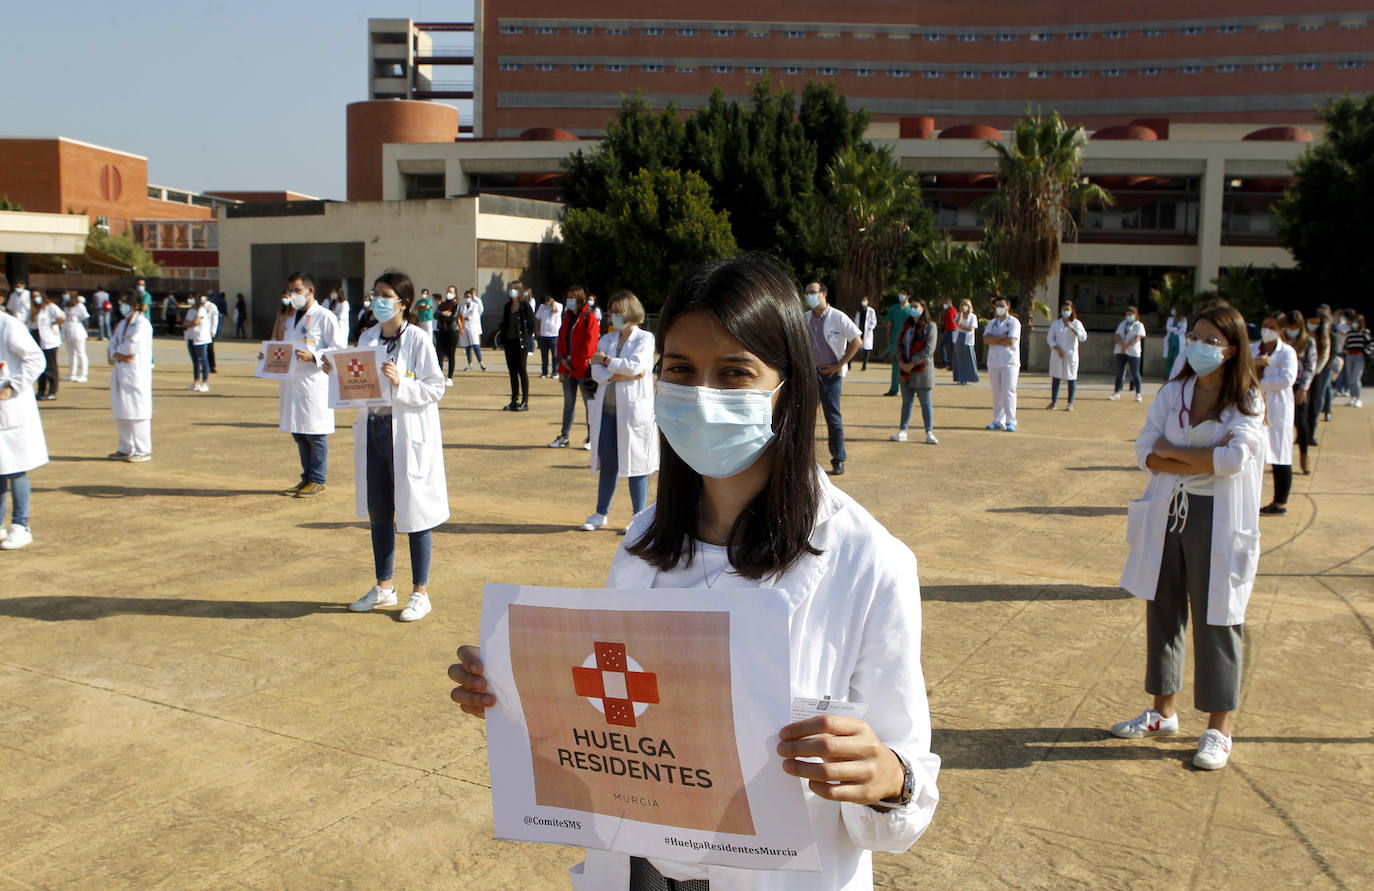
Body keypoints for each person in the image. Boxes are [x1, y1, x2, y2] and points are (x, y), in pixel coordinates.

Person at [448, 253, 940, 890]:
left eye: (734, 373)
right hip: (638, 873)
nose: (702, 394)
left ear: (789, 388)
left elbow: (905, 798)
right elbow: (616, 723)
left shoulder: (871, 564)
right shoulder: (644, 539)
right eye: (681, 370)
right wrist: (520, 696)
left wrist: (886, 780)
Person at [1114, 304, 1263, 771]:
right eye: (1194, 337)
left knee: (1217, 616)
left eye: (1209, 341)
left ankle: (1219, 728)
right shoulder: (1175, 390)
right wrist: (1195, 457)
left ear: (1232, 348)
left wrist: (1172, 453)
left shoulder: (1247, 400)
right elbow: (1144, 451)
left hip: (1217, 515)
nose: (1197, 346)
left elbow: (1233, 461)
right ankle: (1163, 712)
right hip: (1168, 509)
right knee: (1163, 608)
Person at [327, 271, 448, 623]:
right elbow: (358, 379)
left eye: (384, 295)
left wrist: (403, 384)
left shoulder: (419, 340)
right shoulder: (367, 335)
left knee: (415, 513)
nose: (377, 300)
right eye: (375, 294)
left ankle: (420, 592)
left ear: (403, 302)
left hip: (407, 436)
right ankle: (384, 586)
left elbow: (435, 387)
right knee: (380, 513)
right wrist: (332, 371)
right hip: (375, 431)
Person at [580, 290, 658, 532]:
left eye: (617, 312)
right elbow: (597, 374)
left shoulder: (645, 338)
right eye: (611, 312)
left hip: (634, 412)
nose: (613, 317)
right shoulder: (606, 340)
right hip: (606, 410)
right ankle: (601, 513)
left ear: (629, 312)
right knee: (609, 464)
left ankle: (639, 517)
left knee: (637, 465)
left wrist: (606, 363)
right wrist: (617, 371)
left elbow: (638, 367)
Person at [272, 272, 343, 497]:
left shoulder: (325, 316)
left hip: (314, 382)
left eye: (297, 290)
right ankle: (306, 478)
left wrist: (314, 356)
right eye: (291, 290)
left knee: (315, 433)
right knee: (299, 432)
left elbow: (338, 348)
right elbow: (285, 346)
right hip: (293, 382)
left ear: (310, 290)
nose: (293, 295)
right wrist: (270, 358)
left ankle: (318, 479)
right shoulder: (291, 317)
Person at [0, 307, 48, 550]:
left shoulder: (9, 326)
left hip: (9, 407)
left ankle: (21, 525)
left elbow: (36, 359)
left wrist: (11, 384)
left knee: (15, 468)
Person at [804, 280, 862, 475]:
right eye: (807, 293)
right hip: (811, 374)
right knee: (805, 417)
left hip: (831, 375)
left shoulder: (838, 317)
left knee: (833, 417)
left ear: (824, 294)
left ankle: (838, 458)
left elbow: (857, 340)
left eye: (813, 292)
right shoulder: (806, 318)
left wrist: (840, 364)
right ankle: (804, 459)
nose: (809, 296)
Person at [1253, 314, 1298, 515]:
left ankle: (1280, 503)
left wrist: (1258, 385)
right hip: (1254, 408)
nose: (1267, 329)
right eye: (1264, 325)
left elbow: (1286, 380)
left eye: (1272, 326)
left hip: (1278, 410)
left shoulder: (1287, 352)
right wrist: (1256, 362)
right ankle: (1251, 498)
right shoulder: (1254, 349)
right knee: (1253, 455)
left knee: (1280, 455)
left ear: (1281, 330)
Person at [550, 286, 600, 449]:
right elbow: (561, 339)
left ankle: (592, 437)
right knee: (568, 403)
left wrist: (573, 362)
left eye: (572, 297)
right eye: (567, 297)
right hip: (567, 367)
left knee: (589, 403)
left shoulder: (589, 317)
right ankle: (564, 436)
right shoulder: (567, 316)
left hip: (583, 368)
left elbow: (590, 344)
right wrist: (562, 359)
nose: (569, 300)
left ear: (580, 298)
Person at [108, 291, 154, 462]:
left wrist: (118, 352)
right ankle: (125, 448)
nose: (123, 306)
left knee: (138, 412)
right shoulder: (122, 324)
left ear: (135, 305)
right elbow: (112, 343)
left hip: (136, 373)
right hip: (121, 370)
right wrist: (118, 354)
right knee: (121, 410)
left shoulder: (142, 324)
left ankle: (142, 450)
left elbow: (132, 346)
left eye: (126, 302)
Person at [890, 297, 939, 444]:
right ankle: (903, 430)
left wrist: (912, 362)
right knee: (906, 402)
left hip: (922, 370)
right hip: (905, 371)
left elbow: (929, 349)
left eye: (915, 306)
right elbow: (898, 345)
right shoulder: (906, 326)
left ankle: (929, 432)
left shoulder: (930, 326)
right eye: (911, 307)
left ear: (923, 308)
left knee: (926, 402)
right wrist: (901, 362)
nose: (913, 309)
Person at [1283, 310, 1318, 474]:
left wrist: (1303, 387)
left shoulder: (1308, 341)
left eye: (1295, 326)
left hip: (1298, 385)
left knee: (1301, 422)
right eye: (1290, 326)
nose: (1292, 329)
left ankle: (1305, 457)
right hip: (1282, 386)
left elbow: (1311, 366)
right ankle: (1282, 461)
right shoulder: (1281, 340)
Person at [497, 280, 536, 411]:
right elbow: (504, 322)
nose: (512, 291)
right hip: (509, 342)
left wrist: (527, 339)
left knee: (522, 370)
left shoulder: (525, 306)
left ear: (519, 291)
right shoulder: (507, 306)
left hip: (521, 343)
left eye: (514, 289)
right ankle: (514, 399)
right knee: (512, 372)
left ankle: (525, 401)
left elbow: (531, 325)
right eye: (510, 288)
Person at [983, 296, 1020, 431]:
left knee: (1008, 391)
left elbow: (1011, 341)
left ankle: (1011, 421)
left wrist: (995, 339)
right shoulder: (992, 323)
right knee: (997, 392)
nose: (999, 308)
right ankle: (998, 421)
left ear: (1008, 307)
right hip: (994, 362)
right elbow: (986, 340)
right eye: (997, 305)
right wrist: (1001, 337)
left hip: (1010, 363)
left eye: (1002, 305)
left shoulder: (1014, 323)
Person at [1046, 299, 1087, 411]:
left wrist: (1073, 330)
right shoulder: (1056, 323)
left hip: (1070, 355)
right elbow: (1050, 338)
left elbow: (1083, 337)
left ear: (1072, 310)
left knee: (1071, 378)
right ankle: (1053, 402)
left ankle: (1070, 403)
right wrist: (1058, 349)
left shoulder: (1076, 323)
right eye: (1064, 309)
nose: (1065, 312)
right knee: (1056, 377)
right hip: (1057, 354)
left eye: (1067, 310)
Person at [1303, 311, 1332, 446]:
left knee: (1314, 403)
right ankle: (1301, 432)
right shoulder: (1303, 334)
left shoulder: (1324, 336)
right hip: (1302, 374)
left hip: (1316, 374)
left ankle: (1311, 432)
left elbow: (1324, 355)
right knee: (1303, 404)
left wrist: (1314, 371)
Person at [31, 291, 63, 401]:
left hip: (50, 340)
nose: (36, 298)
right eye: (34, 296)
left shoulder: (50, 307)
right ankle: (41, 390)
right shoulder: (33, 308)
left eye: (37, 296)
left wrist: (53, 324)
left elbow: (61, 317)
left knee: (50, 366)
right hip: (38, 337)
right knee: (40, 367)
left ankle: (52, 391)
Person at [1110, 306, 1147, 401]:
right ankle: (1116, 393)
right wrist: (1122, 345)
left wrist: (1126, 345)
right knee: (1119, 373)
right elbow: (1117, 335)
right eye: (1127, 315)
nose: (1128, 316)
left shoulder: (1139, 325)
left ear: (1135, 315)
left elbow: (1138, 337)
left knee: (1135, 373)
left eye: (1130, 315)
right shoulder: (1122, 324)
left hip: (1133, 351)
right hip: (1120, 350)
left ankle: (1138, 394)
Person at [882, 289, 911, 396]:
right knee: (895, 366)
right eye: (900, 293)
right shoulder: (894, 309)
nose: (901, 295)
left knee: (909, 365)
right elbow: (889, 324)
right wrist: (889, 338)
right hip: (895, 341)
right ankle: (894, 388)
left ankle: (913, 388)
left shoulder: (911, 309)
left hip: (908, 342)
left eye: (904, 293)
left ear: (909, 295)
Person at [183, 295, 213, 392]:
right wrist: (189, 324)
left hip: (201, 339)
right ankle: (196, 382)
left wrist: (189, 324)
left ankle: (204, 383)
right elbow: (185, 322)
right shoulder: (191, 310)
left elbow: (195, 322)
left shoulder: (202, 310)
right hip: (191, 337)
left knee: (203, 360)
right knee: (195, 361)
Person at [434, 286, 461, 386]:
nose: (448, 293)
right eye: (447, 291)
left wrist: (444, 315)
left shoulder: (457, 305)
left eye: (451, 292)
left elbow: (453, 318)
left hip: (452, 331)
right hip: (441, 332)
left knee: (451, 355)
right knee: (439, 354)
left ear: (455, 294)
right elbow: (436, 315)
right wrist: (444, 313)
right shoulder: (443, 305)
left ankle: (450, 377)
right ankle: (439, 375)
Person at [62, 293, 91, 382]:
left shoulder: (80, 306)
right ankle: (72, 374)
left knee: (81, 353)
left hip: (78, 332)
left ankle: (83, 374)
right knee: (71, 354)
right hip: (68, 332)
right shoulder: (66, 307)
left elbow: (85, 317)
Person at [1342, 314, 1369, 407]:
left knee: (1356, 377)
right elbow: (1345, 344)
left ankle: (1358, 398)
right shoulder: (1350, 333)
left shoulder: (1365, 332)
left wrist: (1364, 352)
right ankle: (1352, 398)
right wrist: (1345, 350)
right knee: (1350, 378)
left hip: (1359, 357)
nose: (1354, 324)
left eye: (1357, 322)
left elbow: (1370, 344)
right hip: (1350, 356)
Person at [535, 292, 563, 378]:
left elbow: (554, 310)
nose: (545, 304)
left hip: (554, 334)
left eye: (546, 302)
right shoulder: (542, 307)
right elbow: (538, 318)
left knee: (555, 355)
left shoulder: (559, 305)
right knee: (544, 355)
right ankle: (544, 372)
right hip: (544, 334)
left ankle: (555, 371)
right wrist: (537, 330)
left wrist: (553, 303)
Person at [952, 298, 979, 384]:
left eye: (966, 305)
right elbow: (957, 323)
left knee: (968, 358)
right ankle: (960, 378)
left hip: (967, 339)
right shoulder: (958, 315)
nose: (964, 307)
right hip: (958, 338)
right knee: (959, 358)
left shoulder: (973, 316)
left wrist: (961, 327)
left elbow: (970, 328)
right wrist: (961, 314)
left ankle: (970, 377)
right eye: (962, 305)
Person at [459, 288, 485, 370]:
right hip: (464, 328)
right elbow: (460, 316)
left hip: (473, 327)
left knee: (476, 346)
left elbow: (471, 317)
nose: (467, 298)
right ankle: (470, 364)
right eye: (466, 296)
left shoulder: (475, 305)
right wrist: (462, 321)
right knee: (467, 347)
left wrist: (464, 318)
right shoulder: (462, 305)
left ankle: (481, 363)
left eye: (469, 296)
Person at [851, 297, 877, 371]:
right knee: (855, 347)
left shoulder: (871, 311)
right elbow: (856, 321)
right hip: (859, 331)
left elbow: (874, 321)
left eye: (865, 300)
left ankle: (864, 365)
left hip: (867, 332)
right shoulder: (859, 311)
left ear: (868, 301)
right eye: (862, 300)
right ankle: (849, 363)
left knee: (867, 349)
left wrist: (870, 328)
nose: (863, 302)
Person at [1163, 306, 1187, 381]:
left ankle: (1177, 374)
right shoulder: (1170, 319)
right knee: (1169, 357)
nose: (1173, 311)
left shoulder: (1183, 319)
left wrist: (1173, 329)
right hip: (1171, 339)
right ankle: (1168, 374)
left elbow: (1183, 330)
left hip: (1179, 340)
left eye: (1174, 310)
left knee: (1178, 357)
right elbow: (1168, 328)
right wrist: (1177, 329)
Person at [938, 297, 958, 369]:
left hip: (950, 330)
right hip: (951, 330)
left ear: (949, 303)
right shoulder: (953, 310)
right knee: (953, 348)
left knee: (941, 346)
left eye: (945, 303)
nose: (944, 305)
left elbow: (952, 321)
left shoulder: (950, 311)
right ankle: (954, 364)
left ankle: (946, 362)